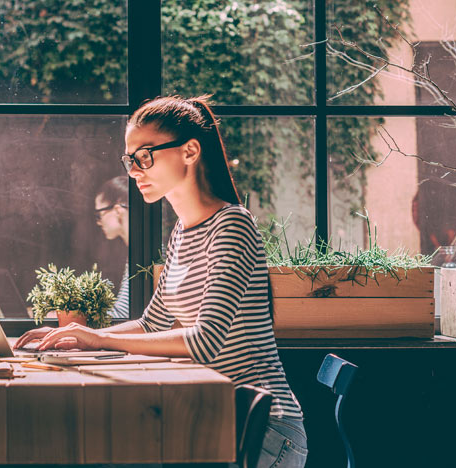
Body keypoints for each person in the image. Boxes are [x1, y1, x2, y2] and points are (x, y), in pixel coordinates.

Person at [16, 95, 307, 467]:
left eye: (145, 155)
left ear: (190, 151)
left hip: (263, 427)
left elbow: (205, 341)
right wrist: (77, 336)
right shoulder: (182, 234)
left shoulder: (232, 225)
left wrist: (99, 338)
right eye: (130, 159)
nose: (134, 170)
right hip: (216, 415)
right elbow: (151, 323)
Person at [94, 176, 130, 319]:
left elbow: (123, 315)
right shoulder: (136, 252)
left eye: (99, 214)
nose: (98, 222)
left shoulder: (143, 255)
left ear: (117, 210)